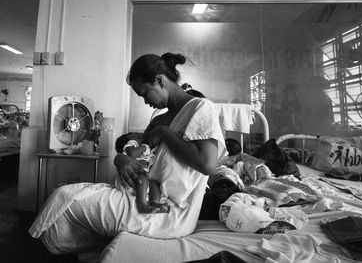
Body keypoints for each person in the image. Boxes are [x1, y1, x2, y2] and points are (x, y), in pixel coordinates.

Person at [29, 52, 226, 254]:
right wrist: (120, 159)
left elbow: (207, 164)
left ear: (160, 81)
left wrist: (164, 133)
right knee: (64, 195)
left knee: (66, 200)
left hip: (167, 211)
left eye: (145, 94)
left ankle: (59, 249)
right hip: (144, 193)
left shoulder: (201, 108)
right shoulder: (159, 120)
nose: (146, 102)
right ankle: (87, 246)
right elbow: (138, 150)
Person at [114, 132, 169, 213]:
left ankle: (154, 203)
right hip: (132, 178)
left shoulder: (146, 149)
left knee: (155, 183)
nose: (139, 137)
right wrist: (144, 147)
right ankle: (141, 205)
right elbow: (132, 153)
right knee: (142, 178)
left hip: (144, 180)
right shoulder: (131, 144)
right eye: (136, 136)